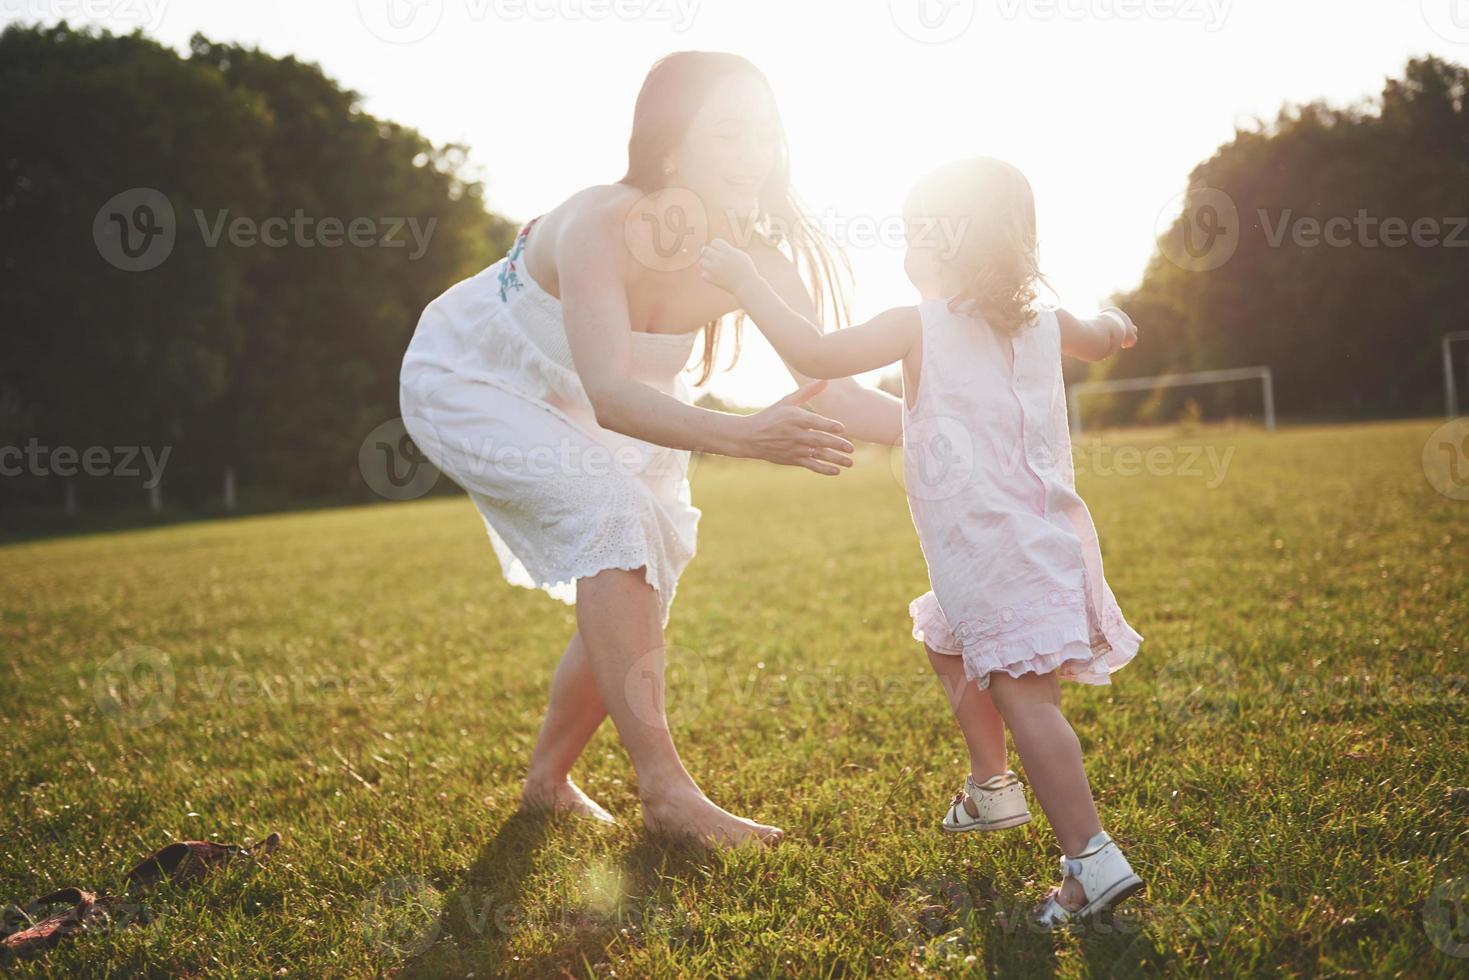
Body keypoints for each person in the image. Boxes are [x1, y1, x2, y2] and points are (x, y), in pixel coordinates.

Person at [699, 156, 1145, 921]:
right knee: (944, 637)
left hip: (994, 552)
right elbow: (1100, 338)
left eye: (912, 235)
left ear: (942, 246)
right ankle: (991, 787)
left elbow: (811, 351)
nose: (905, 252)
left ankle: (1091, 862)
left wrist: (744, 280)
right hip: (1037, 545)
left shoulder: (917, 324)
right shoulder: (1043, 317)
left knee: (1027, 701)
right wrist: (1116, 325)